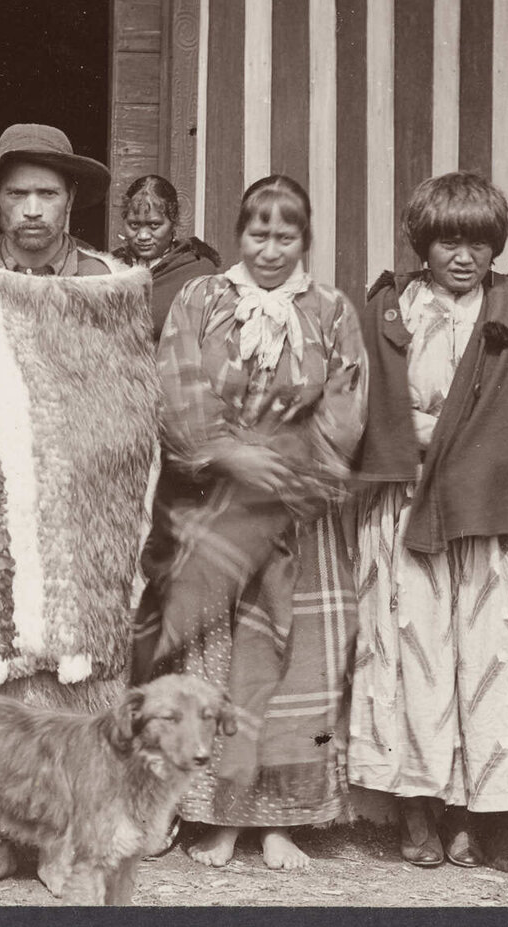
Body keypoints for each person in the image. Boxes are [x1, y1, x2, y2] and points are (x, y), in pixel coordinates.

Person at [0, 124, 159, 895]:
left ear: (72, 200)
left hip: (83, 516)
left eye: (47, 192)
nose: (33, 209)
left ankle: (64, 840)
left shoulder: (109, 285)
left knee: (78, 683)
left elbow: (136, 403)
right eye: (17, 194)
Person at [347, 172, 508, 868]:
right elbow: (358, 404)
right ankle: (417, 807)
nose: (465, 255)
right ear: (423, 242)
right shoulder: (391, 311)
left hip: (495, 515)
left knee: (492, 659)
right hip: (410, 505)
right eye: (450, 239)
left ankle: (475, 815)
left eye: (480, 241)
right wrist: (420, 433)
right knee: (415, 654)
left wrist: (459, 439)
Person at [131, 175, 366, 872]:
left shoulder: (329, 308)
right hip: (215, 510)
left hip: (296, 516)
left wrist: (292, 474)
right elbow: (173, 383)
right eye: (258, 234)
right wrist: (232, 453)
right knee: (215, 666)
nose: (270, 248)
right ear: (239, 234)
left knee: (293, 671)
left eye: (285, 235)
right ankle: (220, 819)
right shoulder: (203, 299)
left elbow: (346, 405)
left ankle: (280, 824)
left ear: (305, 239)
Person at [114, 174, 222, 339]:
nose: (143, 235)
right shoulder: (110, 268)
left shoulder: (197, 270)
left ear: (173, 222)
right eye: (134, 225)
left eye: (154, 225)